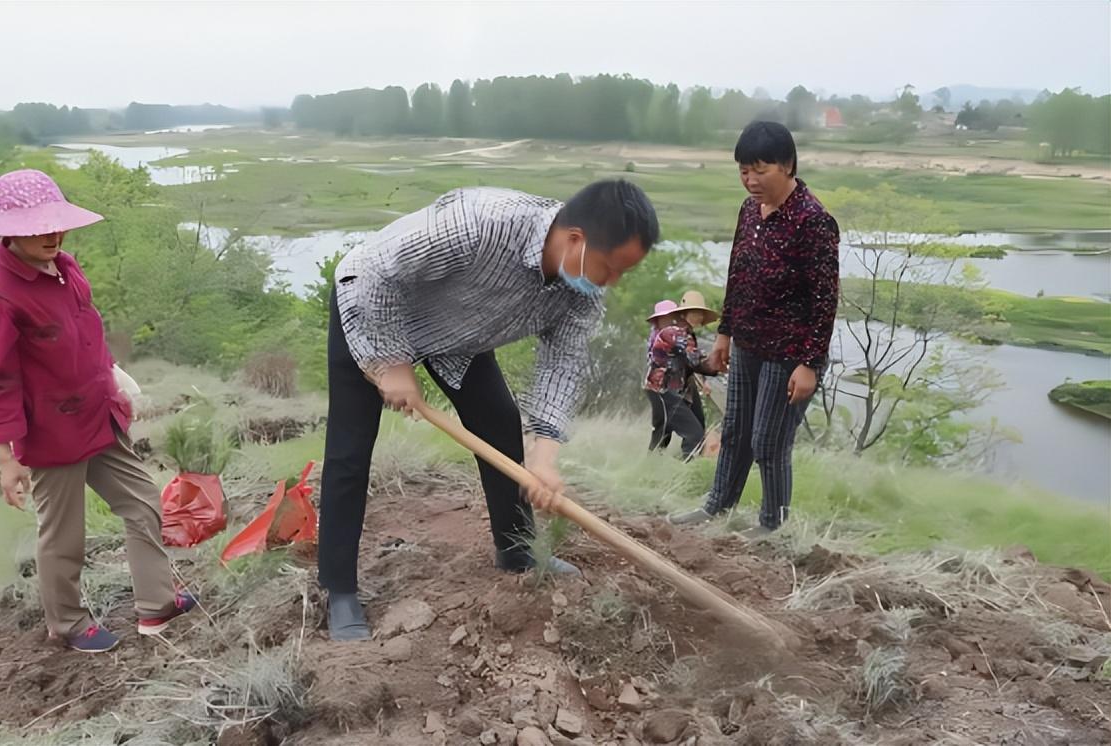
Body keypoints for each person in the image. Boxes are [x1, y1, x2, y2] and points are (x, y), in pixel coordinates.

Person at [321, 180, 660, 640]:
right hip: (371, 307)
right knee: (351, 448)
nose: (611, 282)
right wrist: (392, 361)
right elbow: (377, 272)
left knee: (499, 423)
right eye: (610, 267)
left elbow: (562, 367)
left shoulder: (581, 297)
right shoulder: (481, 221)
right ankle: (339, 589)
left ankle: (516, 548)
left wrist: (544, 455)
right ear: (577, 240)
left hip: (459, 337)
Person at [0, 169, 195, 653]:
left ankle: (156, 604)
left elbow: (84, 332)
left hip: (100, 415)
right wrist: (5, 458)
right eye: (37, 227)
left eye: (55, 223)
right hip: (51, 432)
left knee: (143, 504)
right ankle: (66, 623)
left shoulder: (66, 267)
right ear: (11, 230)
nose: (52, 234)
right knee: (64, 535)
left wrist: (112, 372)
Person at [670, 121, 840, 539]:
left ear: (787, 165)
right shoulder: (749, 211)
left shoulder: (813, 221)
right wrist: (725, 334)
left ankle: (773, 524)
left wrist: (810, 364)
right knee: (735, 433)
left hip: (790, 353)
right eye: (744, 170)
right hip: (747, 342)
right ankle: (717, 504)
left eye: (760, 170)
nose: (750, 181)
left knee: (768, 440)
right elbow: (739, 275)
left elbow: (824, 301)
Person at [643, 290, 720, 459]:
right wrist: (720, 365)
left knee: (663, 434)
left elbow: (690, 364)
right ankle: (684, 472)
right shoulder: (675, 333)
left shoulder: (685, 333)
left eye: (700, 313)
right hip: (663, 390)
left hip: (674, 390)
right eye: (695, 312)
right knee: (694, 435)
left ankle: (652, 470)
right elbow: (695, 360)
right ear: (684, 313)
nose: (698, 317)